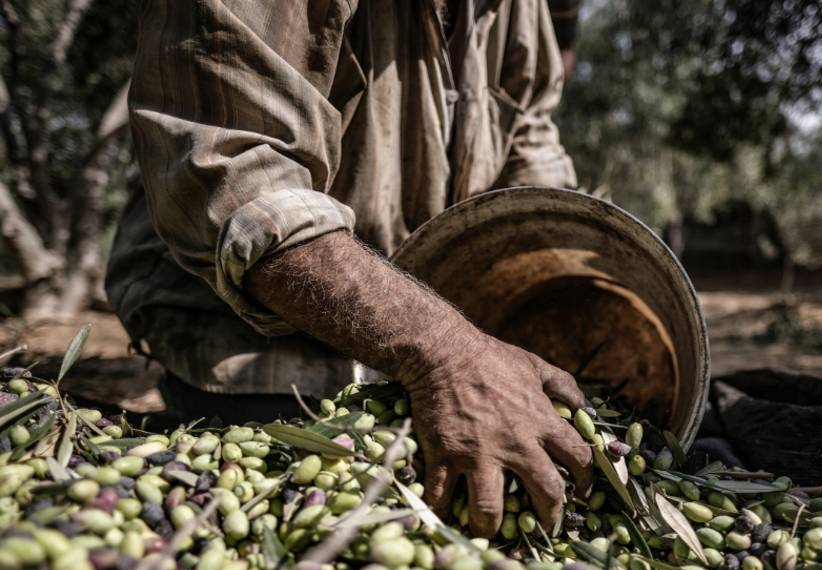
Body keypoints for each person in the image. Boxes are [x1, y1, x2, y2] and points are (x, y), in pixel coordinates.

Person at [105, 0, 592, 538]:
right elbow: (235, 176)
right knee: (269, 528)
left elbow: (530, 132)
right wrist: (446, 352)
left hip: (422, 346)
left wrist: (564, 275)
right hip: (252, 349)